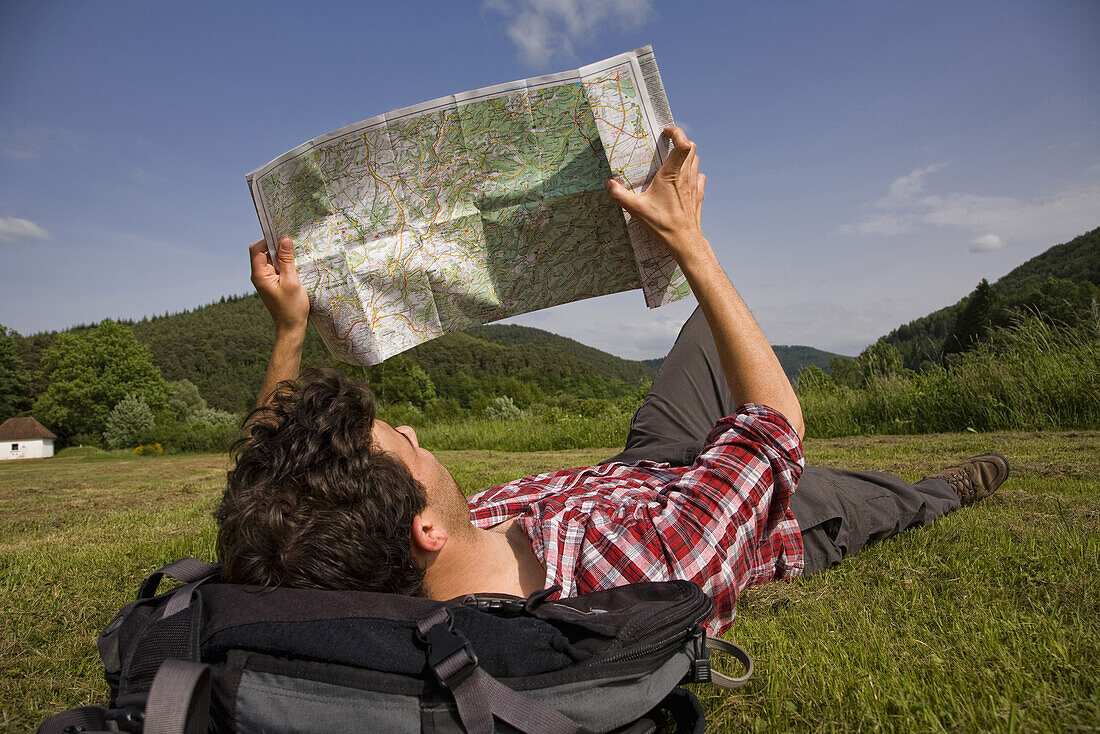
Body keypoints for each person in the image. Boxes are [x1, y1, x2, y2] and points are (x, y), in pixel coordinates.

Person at [216, 127, 1009, 635]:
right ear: (423, 528)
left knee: (715, 327)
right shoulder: (641, 571)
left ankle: (713, 410)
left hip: (645, 464)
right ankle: (947, 489)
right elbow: (775, 426)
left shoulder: (410, 545)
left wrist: (290, 330)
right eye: (408, 448)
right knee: (882, 498)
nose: (419, 436)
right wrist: (689, 243)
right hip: (759, 519)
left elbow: (263, 498)